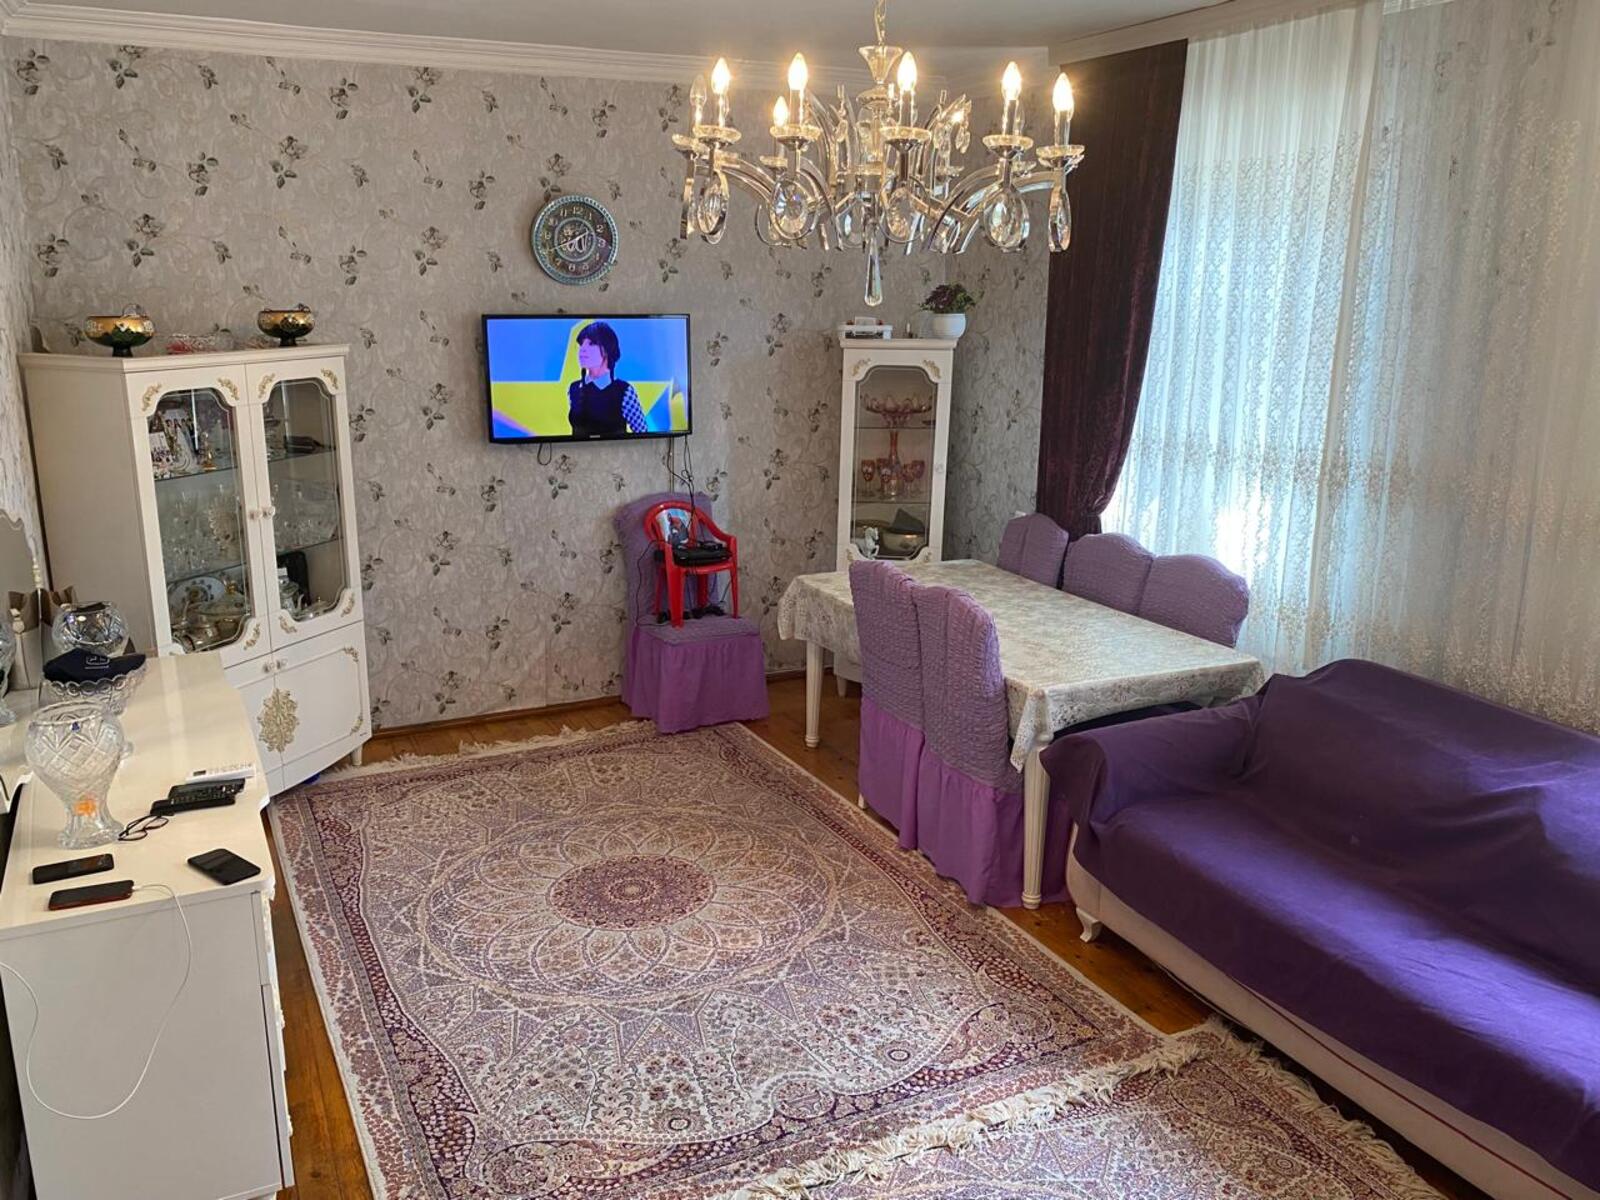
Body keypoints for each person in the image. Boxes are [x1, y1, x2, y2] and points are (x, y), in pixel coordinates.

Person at [567, 321, 646, 437]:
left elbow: (642, 432)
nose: (582, 349)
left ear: (606, 350)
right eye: (581, 344)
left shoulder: (624, 391)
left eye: (591, 344)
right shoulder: (574, 388)